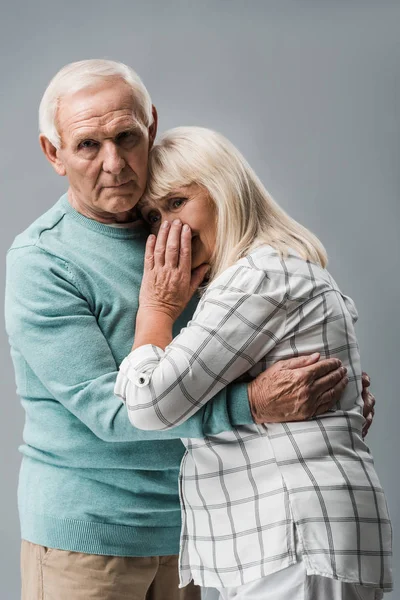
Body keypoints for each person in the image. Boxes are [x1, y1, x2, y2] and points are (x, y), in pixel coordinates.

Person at [4, 60, 363, 600]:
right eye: (87, 145)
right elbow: (113, 411)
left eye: (126, 137)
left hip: (201, 527)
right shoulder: (43, 261)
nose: (115, 163)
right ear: (53, 154)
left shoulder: (197, 224)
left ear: (151, 125)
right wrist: (257, 406)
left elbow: (238, 347)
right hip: (89, 538)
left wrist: (334, 396)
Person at [115, 126, 392, 599]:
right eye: (154, 216)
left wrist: (156, 311)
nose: (168, 230)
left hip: (293, 535)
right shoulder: (275, 269)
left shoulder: (257, 276)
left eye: (178, 202)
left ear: (223, 188)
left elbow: (148, 401)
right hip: (291, 536)